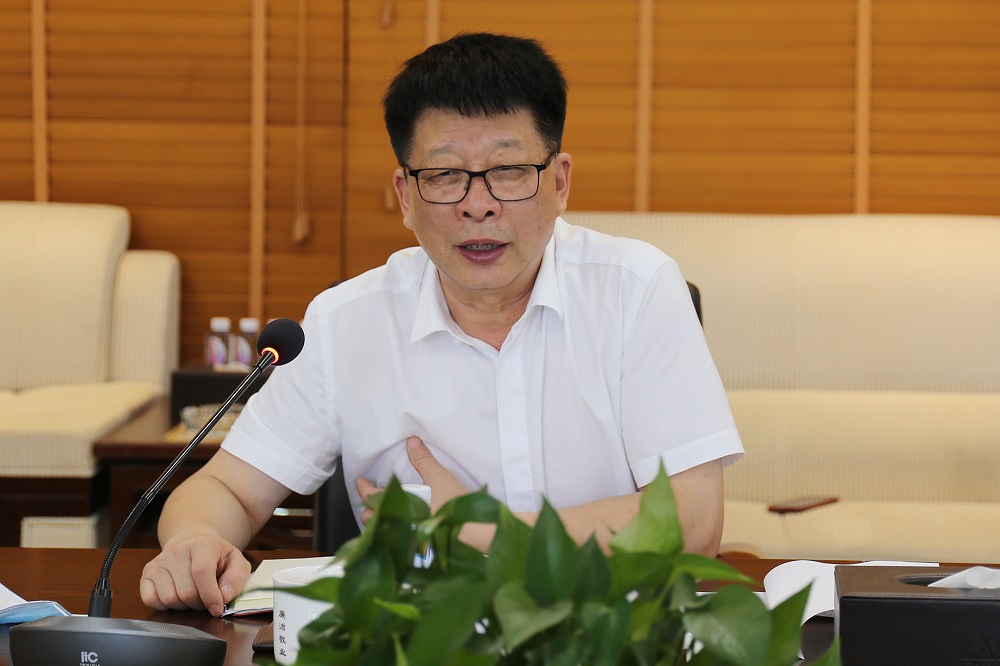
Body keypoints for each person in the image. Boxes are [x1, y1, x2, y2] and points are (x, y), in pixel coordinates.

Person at [140, 32, 744, 617]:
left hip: (610, 635)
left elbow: (692, 524)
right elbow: (226, 489)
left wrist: (481, 532)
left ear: (559, 183)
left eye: (509, 169)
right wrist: (195, 541)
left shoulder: (636, 290)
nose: (478, 204)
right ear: (406, 196)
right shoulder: (346, 322)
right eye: (445, 175)